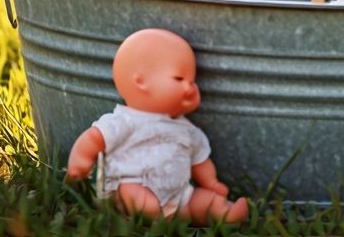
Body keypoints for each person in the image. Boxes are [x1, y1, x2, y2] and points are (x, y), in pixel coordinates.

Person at [66, 28, 250, 224]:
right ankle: (153, 215)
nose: (190, 87)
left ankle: (223, 211)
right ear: (141, 82)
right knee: (139, 198)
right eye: (180, 79)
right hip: (131, 184)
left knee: (204, 200)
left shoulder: (186, 129)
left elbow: (200, 160)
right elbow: (94, 138)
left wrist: (211, 183)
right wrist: (81, 159)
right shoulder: (125, 121)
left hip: (179, 195)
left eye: (192, 81)